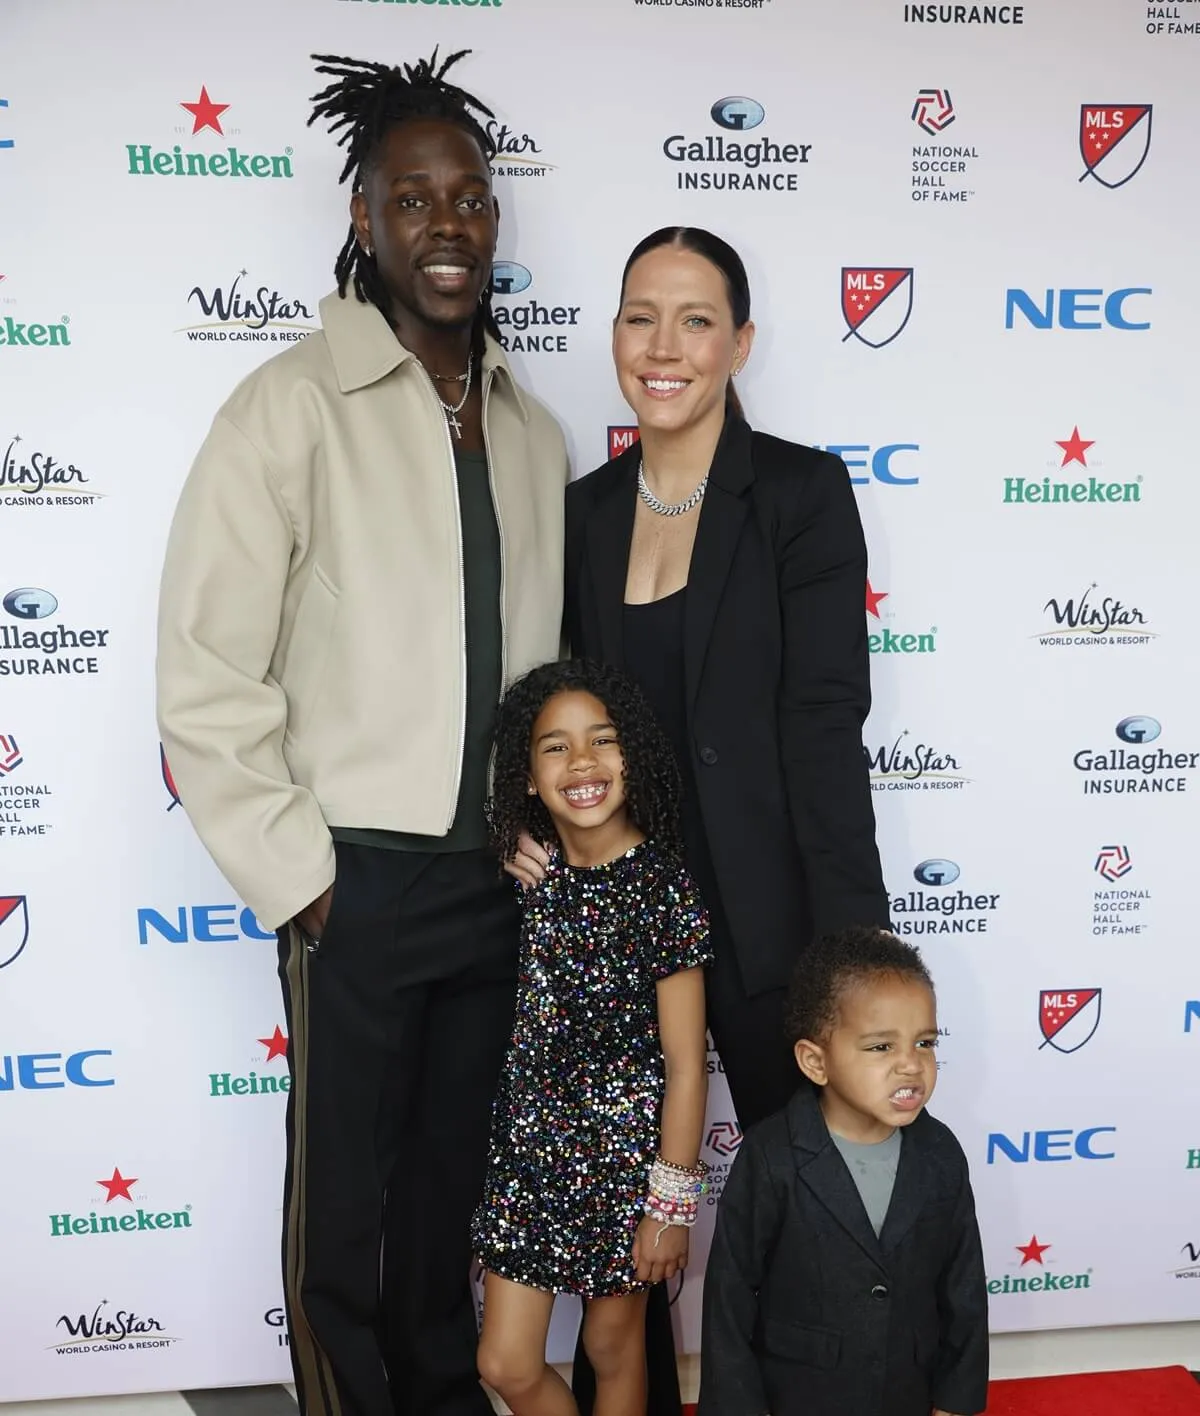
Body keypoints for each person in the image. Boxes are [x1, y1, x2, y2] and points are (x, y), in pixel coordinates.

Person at [155, 50, 569, 1416]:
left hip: (488, 886)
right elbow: (207, 668)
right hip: (356, 881)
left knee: (448, 1193)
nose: (446, 227)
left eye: (470, 200)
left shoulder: (530, 429)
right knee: (341, 1220)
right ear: (363, 219)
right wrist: (307, 878)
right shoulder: (285, 410)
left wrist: (532, 833)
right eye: (413, 199)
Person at [507, 226, 891, 1411]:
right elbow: (553, 710)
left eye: (693, 319)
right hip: (627, 927)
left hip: (780, 914)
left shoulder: (800, 493)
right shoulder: (580, 512)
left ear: (740, 340)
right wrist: (509, 825)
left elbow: (827, 726)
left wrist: (855, 954)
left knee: (812, 1206)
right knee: (627, 1243)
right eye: (639, 316)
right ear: (612, 334)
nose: (662, 347)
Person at [472, 659, 712, 1416]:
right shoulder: (527, 876)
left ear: (631, 755)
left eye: (602, 740)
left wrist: (668, 1206)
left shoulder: (661, 886)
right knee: (506, 1363)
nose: (582, 762)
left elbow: (686, 1067)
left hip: (624, 1168)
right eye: (555, 747)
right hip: (528, 1163)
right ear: (526, 776)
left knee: (613, 1350)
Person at [698, 926, 988, 1416]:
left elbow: (963, 1289)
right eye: (881, 1047)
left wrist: (954, 1401)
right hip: (799, 1397)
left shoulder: (941, 1154)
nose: (910, 1066)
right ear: (816, 1061)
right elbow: (729, 1302)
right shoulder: (772, 1156)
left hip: (907, 1395)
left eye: (923, 1043)